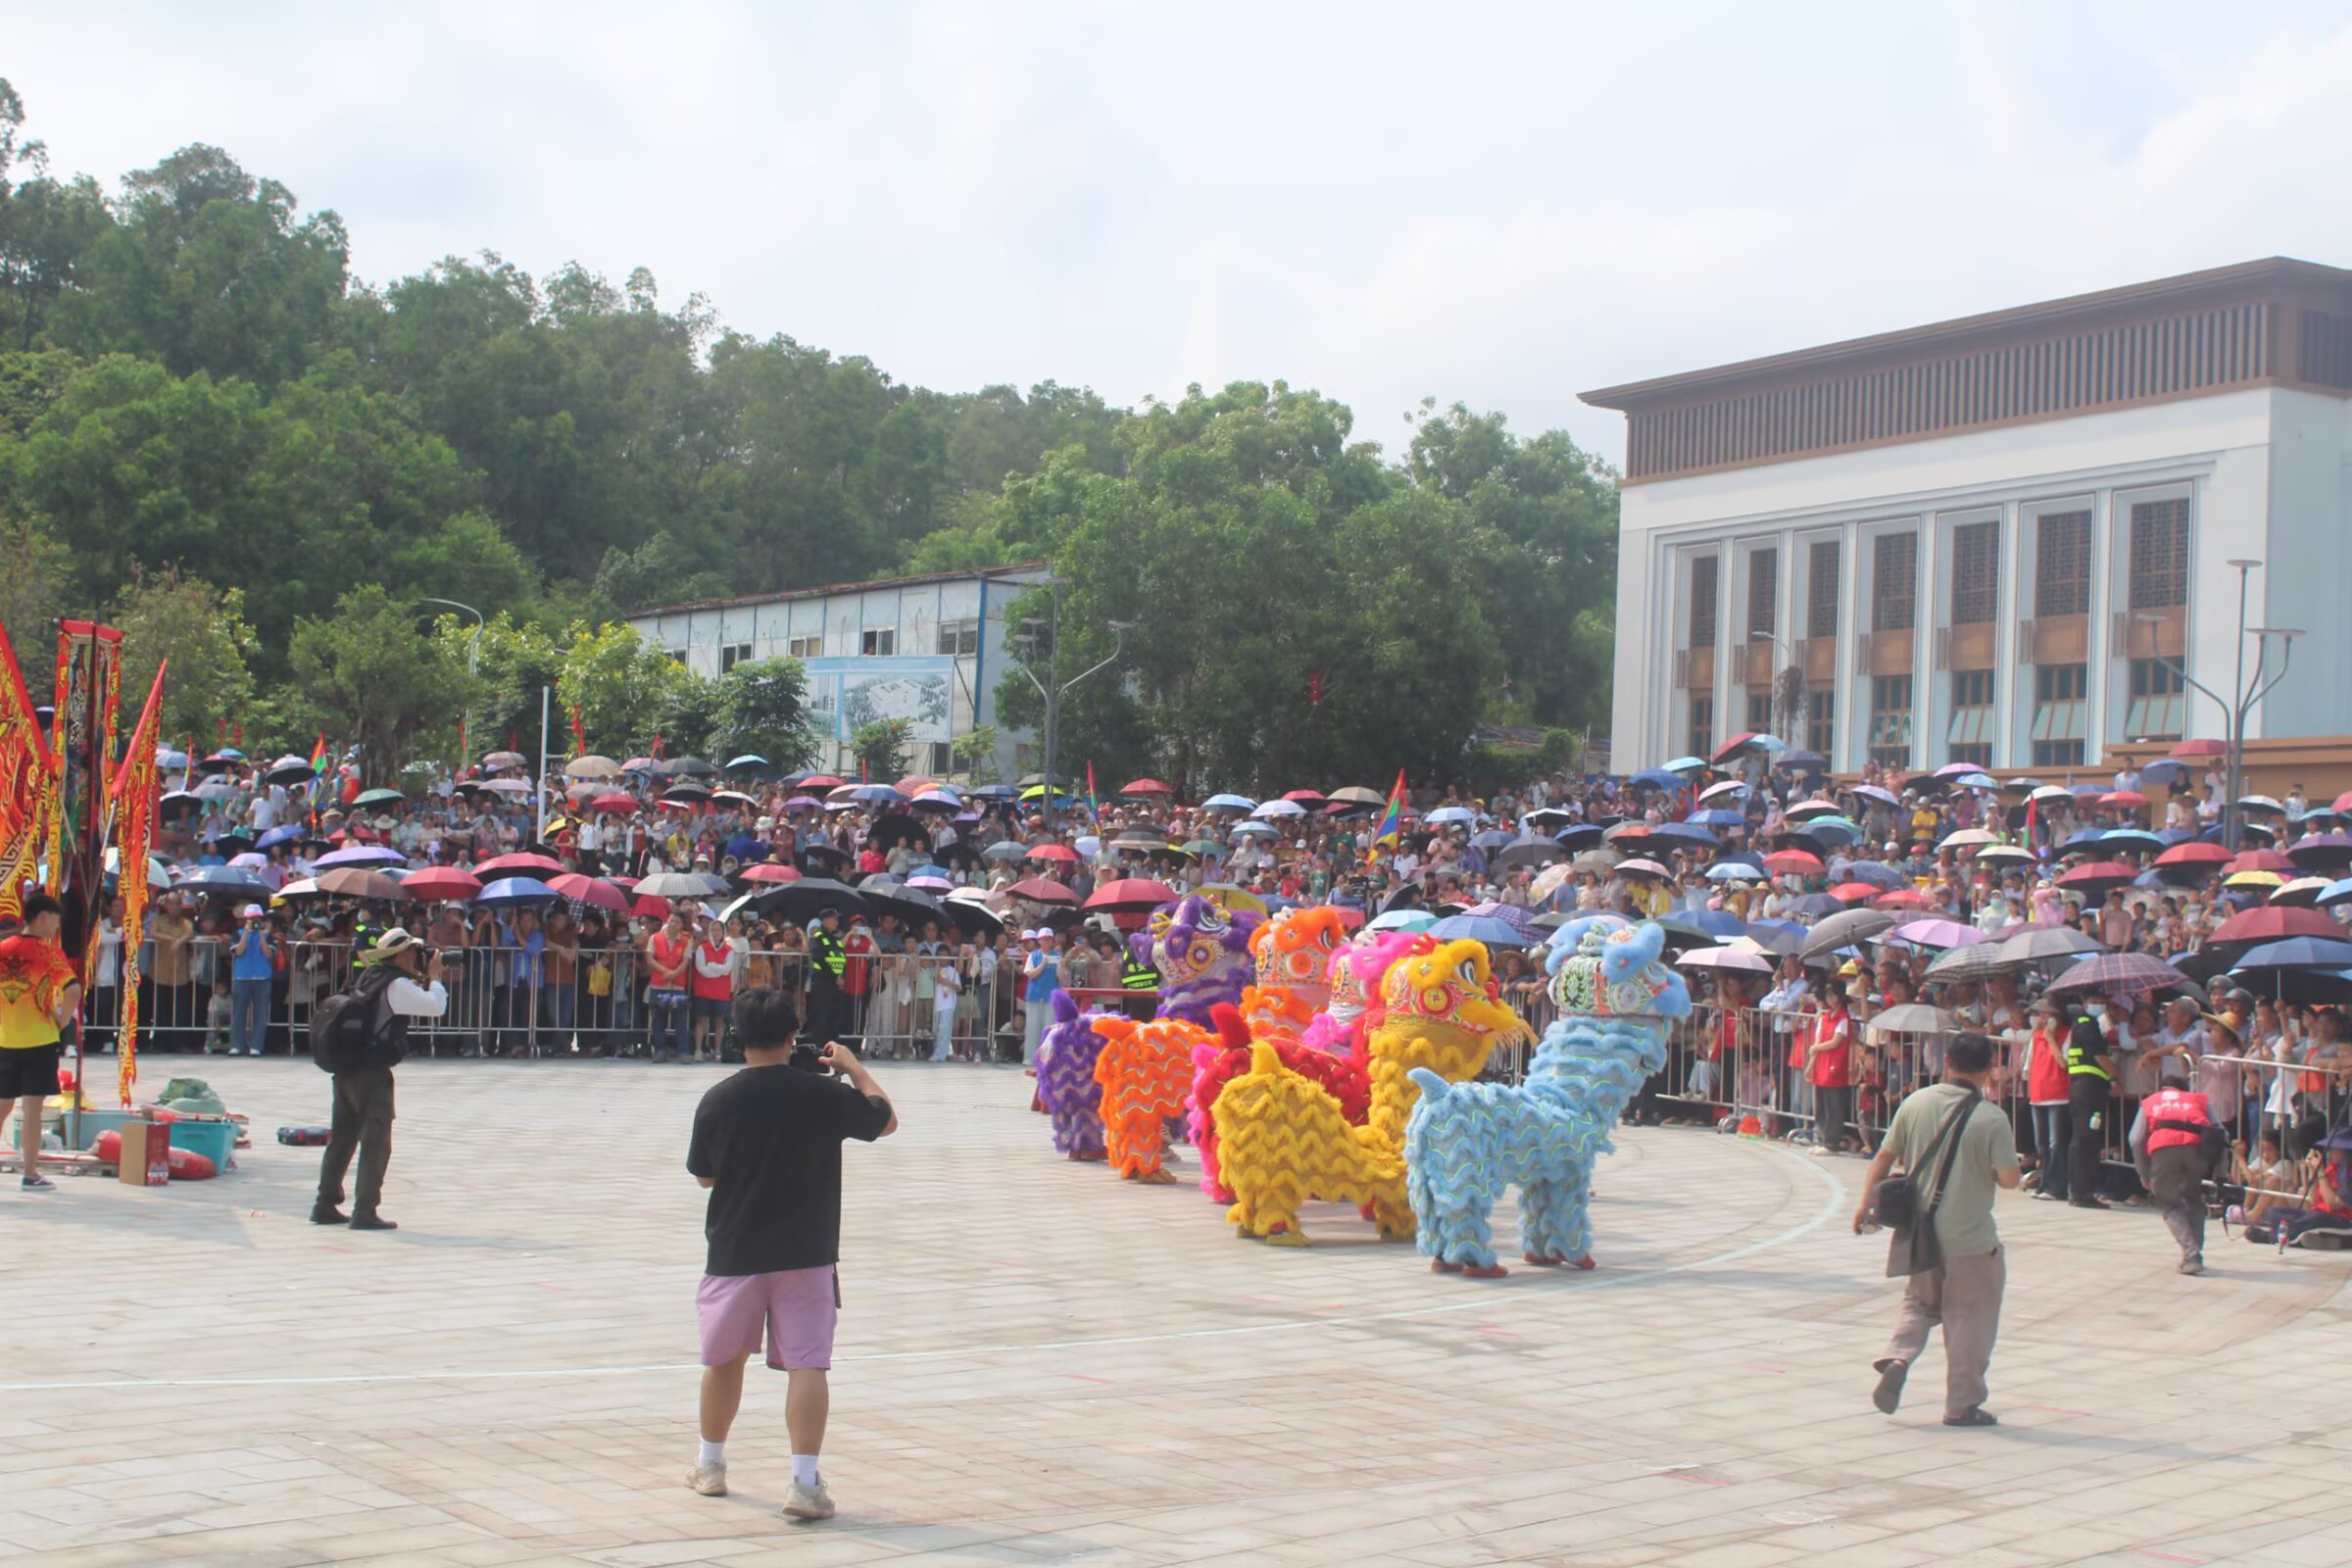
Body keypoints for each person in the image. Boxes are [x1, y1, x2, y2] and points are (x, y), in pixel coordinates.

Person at [684, 988, 897, 1520]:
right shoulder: (819, 1094)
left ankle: (710, 1465)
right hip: (805, 1251)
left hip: (736, 1251)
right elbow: (884, 1120)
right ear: (791, 1036)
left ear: (738, 1037)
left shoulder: (718, 1099)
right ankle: (803, 1482)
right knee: (808, 1364)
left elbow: (705, 1175)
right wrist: (851, 1068)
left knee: (724, 1360)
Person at [1853, 1031, 2021, 1427]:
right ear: (1988, 1070)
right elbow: (2010, 1179)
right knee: (1969, 1319)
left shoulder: (1916, 1102)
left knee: (1918, 1303)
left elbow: (1884, 1155)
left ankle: (1898, 1356)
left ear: (1948, 1063)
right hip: (1972, 1239)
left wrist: (1864, 1205)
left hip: (1922, 1232)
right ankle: (1961, 1405)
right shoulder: (1991, 1117)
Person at [313, 928, 448, 1231]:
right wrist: (436, 977)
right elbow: (435, 1007)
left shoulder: (369, 977)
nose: (417, 957)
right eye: (413, 952)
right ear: (401, 955)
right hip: (371, 1073)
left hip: (346, 1069)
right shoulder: (396, 983)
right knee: (375, 1143)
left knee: (343, 1139)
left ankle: (325, 1204)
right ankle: (365, 1210)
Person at [1, 893, 84, 1191]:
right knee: (33, 1110)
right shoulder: (49, 953)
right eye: (56, 919)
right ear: (45, 917)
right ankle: (30, 1173)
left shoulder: (2, 948)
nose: (57, 925)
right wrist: (60, 1023)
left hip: (5, 1040)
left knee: (2, 1107)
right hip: (38, 1042)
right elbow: (72, 991)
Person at [2130, 1070, 2221, 1275]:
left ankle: (2191, 1254)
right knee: (2193, 1197)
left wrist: (2144, 1173)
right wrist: (2220, 1170)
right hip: (2197, 1151)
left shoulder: (2151, 1101)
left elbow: (2135, 1139)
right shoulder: (2198, 1100)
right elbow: (2220, 1131)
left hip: (2164, 1149)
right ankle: (2195, 1251)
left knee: (2169, 1203)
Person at [2063, 997, 2120, 1210]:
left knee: (2081, 1140)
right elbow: (2100, 1057)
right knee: (2087, 1140)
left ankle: (2077, 1190)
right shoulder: (2088, 1026)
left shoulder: (2078, 1025)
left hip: (2082, 1087)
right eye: (2096, 999)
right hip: (2089, 1089)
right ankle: (2082, 1192)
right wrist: (2116, 1074)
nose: (2100, 1003)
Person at [228, 904, 278, 1057]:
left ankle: (256, 1045)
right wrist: (246, 933)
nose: (254, 921)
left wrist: (262, 935)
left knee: (261, 1013)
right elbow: (239, 951)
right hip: (242, 977)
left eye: (257, 919)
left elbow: (269, 954)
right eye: (251, 919)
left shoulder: (269, 936)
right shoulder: (237, 934)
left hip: (262, 977)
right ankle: (237, 1044)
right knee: (238, 1013)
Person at [806, 909, 848, 1044]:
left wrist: (842, 976)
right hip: (822, 983)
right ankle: (817, 1049)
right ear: (825, 920)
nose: (837, 922)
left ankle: (831, 1048)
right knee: (821, 1018)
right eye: (834, 919)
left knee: (835, 1018)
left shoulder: (836, 940)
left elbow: (842, 960)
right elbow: (819, 958)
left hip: (836, 985)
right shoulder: (817, 937)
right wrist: (835, 976)